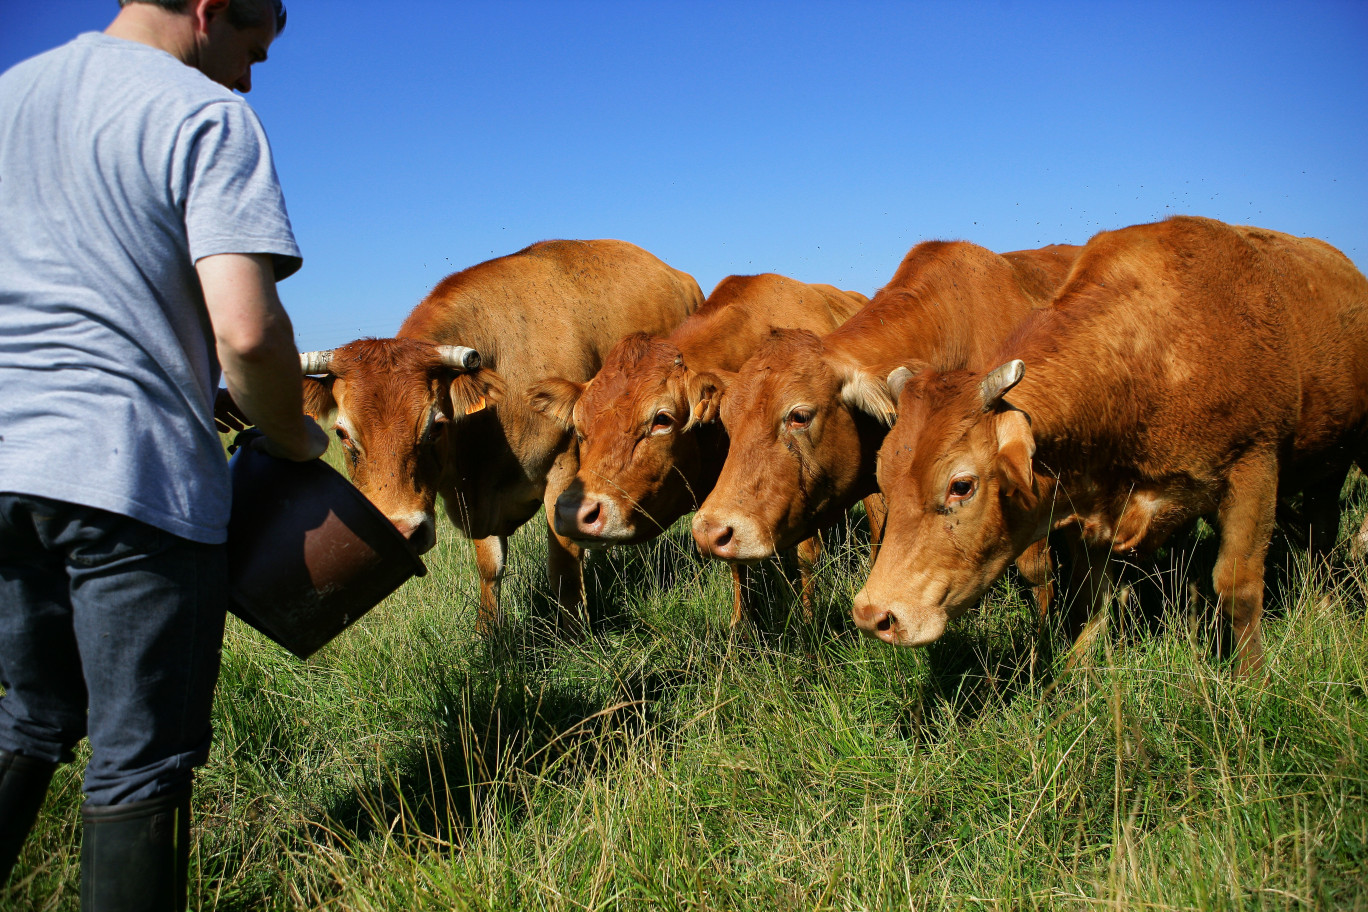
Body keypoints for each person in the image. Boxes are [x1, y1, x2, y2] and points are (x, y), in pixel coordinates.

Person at [0, 0, 329, 907]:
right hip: (128, 477)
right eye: (250, 46)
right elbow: (252, 334)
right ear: (209, 10)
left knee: (27, 719)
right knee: (140, 764)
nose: (250, 74)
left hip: (5, 468)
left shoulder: (10, 95)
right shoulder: (203, 114)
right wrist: (291, 436)